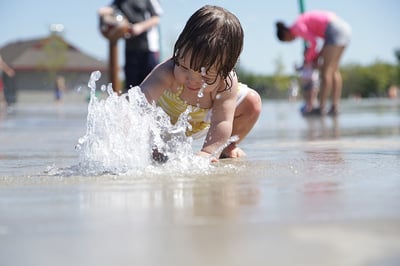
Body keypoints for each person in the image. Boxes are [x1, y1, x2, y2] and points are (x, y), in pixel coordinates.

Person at [139, 5, 262, 161]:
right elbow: (137, 102)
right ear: (179, 50)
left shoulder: (226, 82)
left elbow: (222, 121)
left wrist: (208, 152)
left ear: (225, 69)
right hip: (166, 126)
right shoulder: (166, 72)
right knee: (159, 157)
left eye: (206, 76)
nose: (193, 80)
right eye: (184, 67)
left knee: (252, 102)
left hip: (206, 122)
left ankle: (226, 145)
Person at [276, 10, 351, 116]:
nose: (291, 41)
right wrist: (316, 56)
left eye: (287, 40)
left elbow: (313, 42)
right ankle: (334, 106)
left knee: (326, 72)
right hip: (343, 28)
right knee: (334, 71)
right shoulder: (300, 21)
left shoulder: (296, 27)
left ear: (285, 34)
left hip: (333, 30)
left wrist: (308, 59)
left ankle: (321, 107)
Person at [98, 0, 162, 93]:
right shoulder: (121, 2)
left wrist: (140, 27)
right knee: (131, 87)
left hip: (148, 48)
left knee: (151, 84)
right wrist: (103, 14)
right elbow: (107, 10)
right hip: (130, 49)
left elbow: (156, 18)